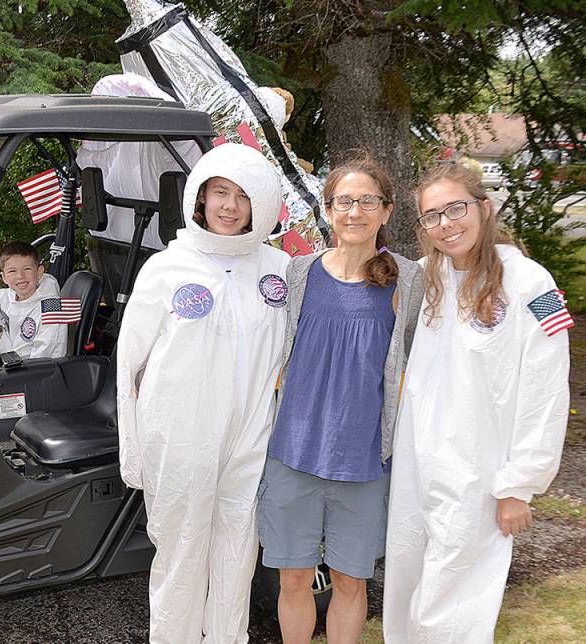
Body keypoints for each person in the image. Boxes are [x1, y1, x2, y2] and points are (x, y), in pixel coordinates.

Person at [382, 164, 570, 643]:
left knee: (454, 602)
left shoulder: (532, 284)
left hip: (479, 475)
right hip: (416, 467)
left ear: (484, 208)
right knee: (407, 589)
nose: (446, 223)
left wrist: (519, 484)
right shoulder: (424, 280)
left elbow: (546, 389)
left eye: (455, 209)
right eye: (432, 216)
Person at [116, 143, 287, 643]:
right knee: (181, 554)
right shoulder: (167, 268)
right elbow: (129, 364)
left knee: (237, 554)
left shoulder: (278, 269)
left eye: (242, 196)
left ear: (261, 204)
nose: (230, 207)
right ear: (200, 197)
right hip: (181, 439)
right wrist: (134, 452)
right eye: (220, 193)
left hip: (250, 441)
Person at [257, 155, 424, 644]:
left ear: (387, 210)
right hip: (293, 454)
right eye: (344, 201)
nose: (355, 211)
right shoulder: (297, 274)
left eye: (367, 201)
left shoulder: (409, 282)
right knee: (293, 578)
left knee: (352, 581)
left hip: (365, 461)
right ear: (328, 210)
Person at [0, 241, 67, 362]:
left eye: (27, 269)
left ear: (39, 272)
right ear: (4, 277)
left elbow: (44, 360)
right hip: (12, 362)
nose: (20, 276)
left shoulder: (50, 310)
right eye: (12, 271)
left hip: (35, 373)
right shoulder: (8, 296)